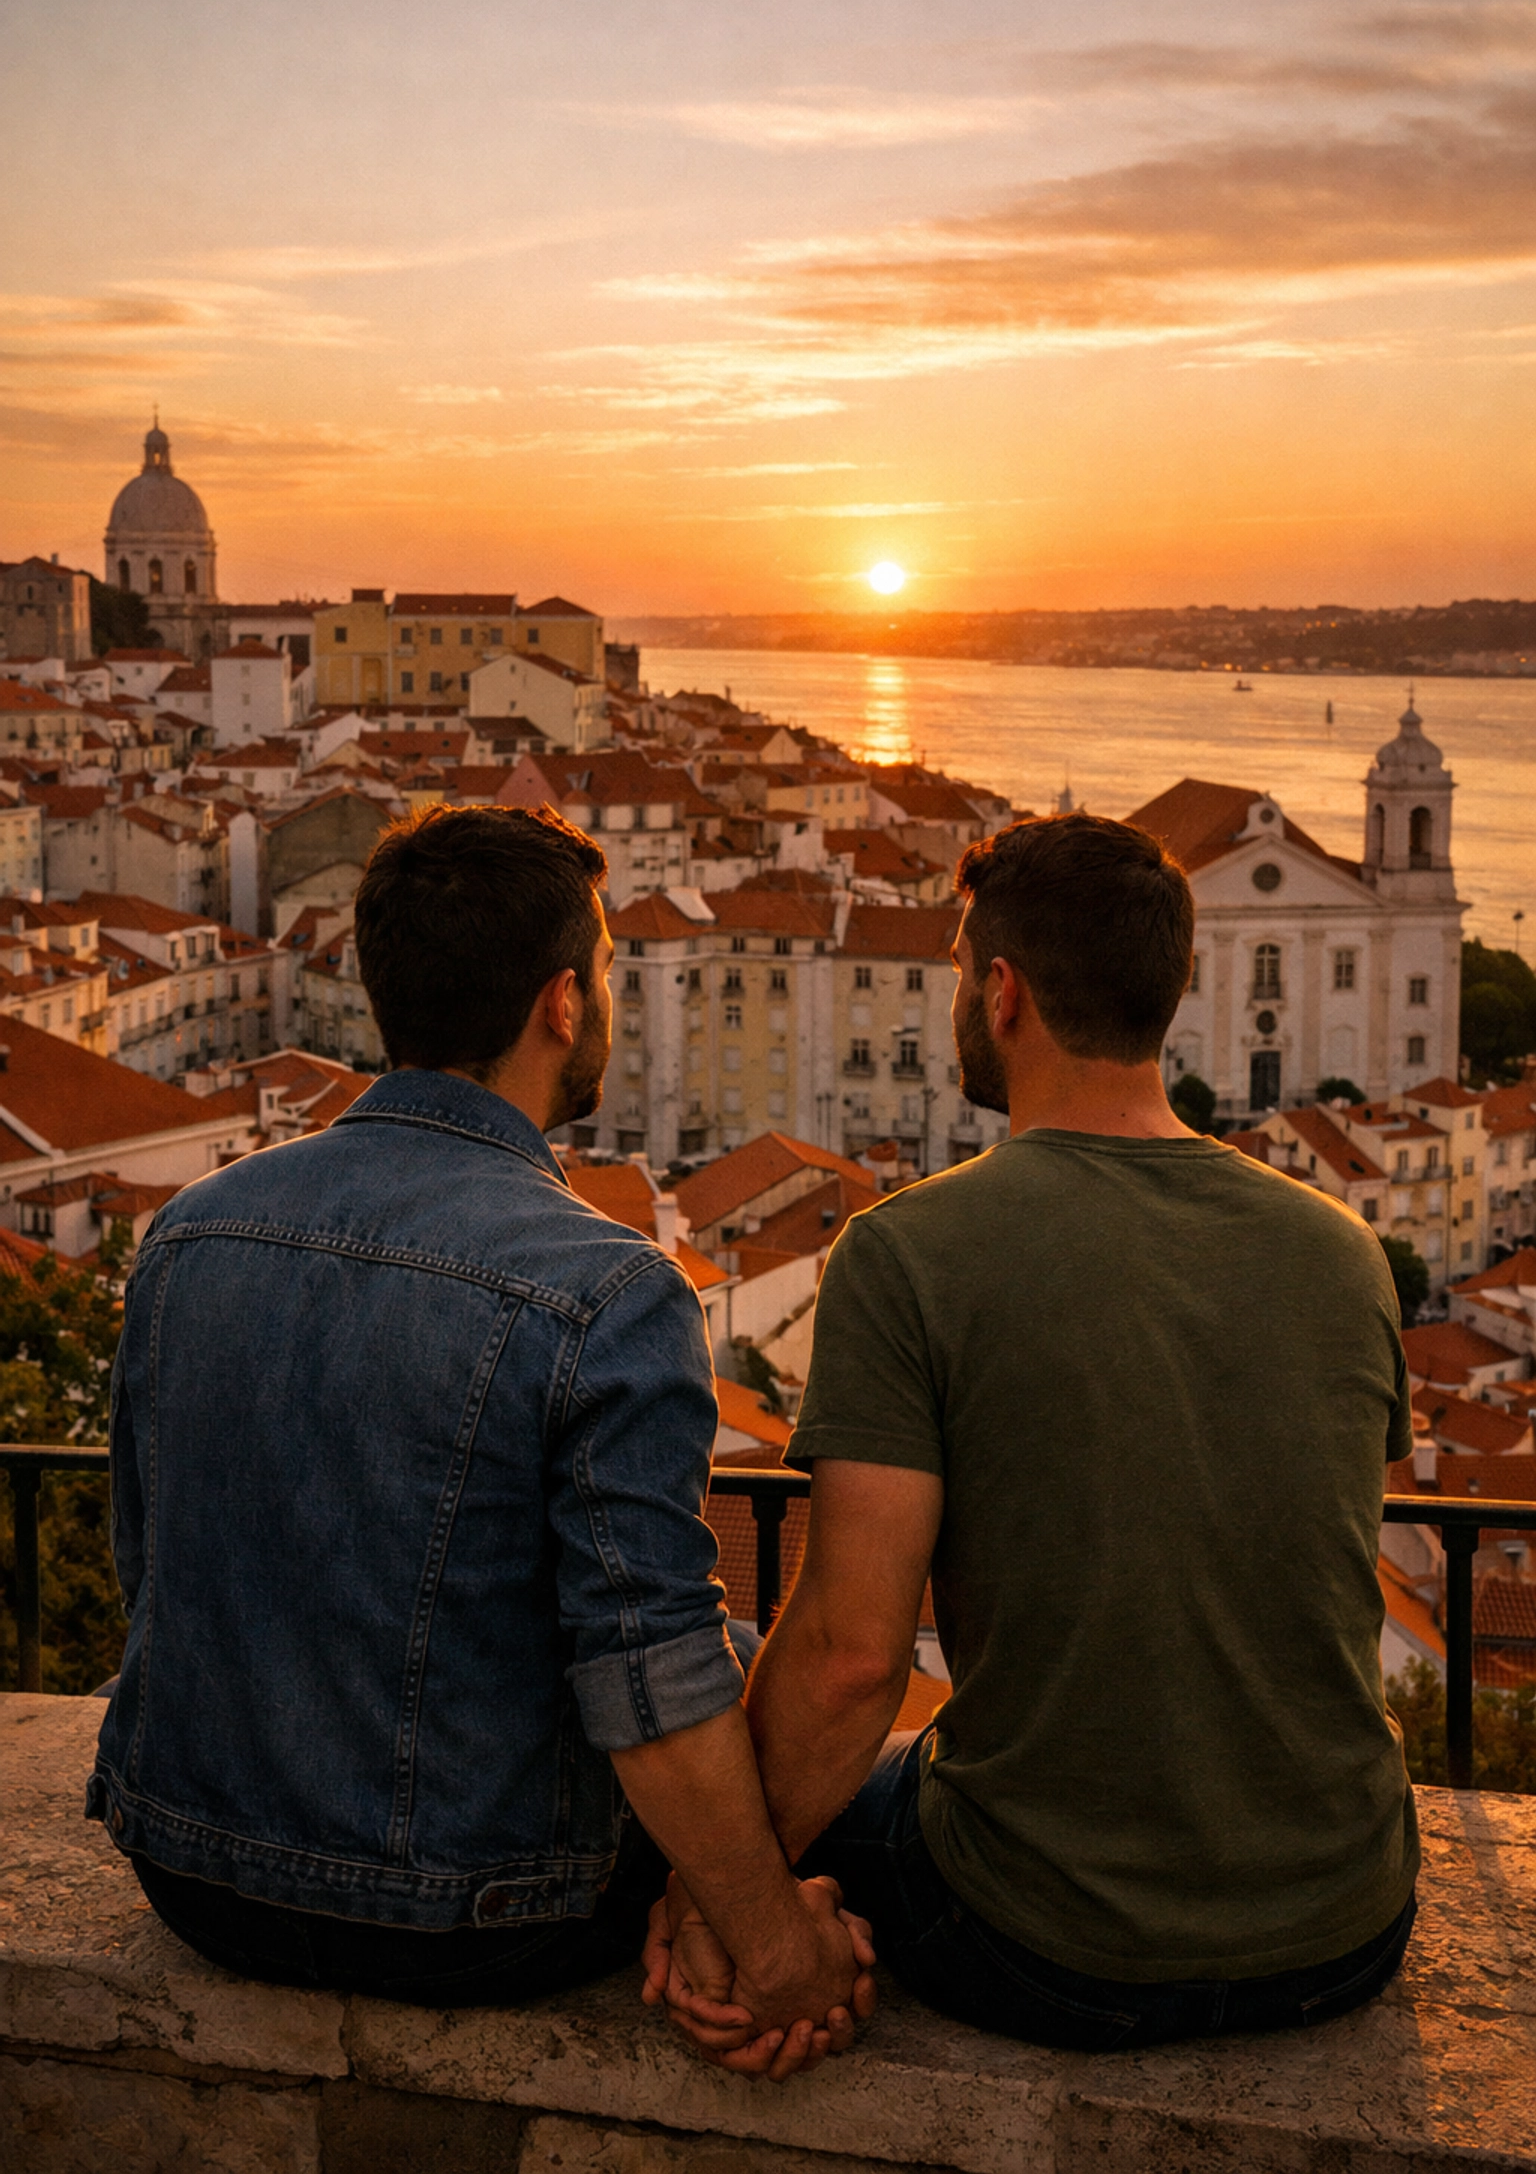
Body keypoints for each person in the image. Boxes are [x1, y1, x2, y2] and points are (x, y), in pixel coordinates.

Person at [89, 804, 870, 2075]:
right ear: (563, 1004)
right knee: (867, 1792)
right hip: (474, 1916)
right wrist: (771, 1941)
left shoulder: (190, 1233)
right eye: (610, 971)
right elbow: (649, 1676)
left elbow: (153, 1562)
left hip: (193, 1875)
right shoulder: (605, 1291)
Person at [649, 813, 1417, 2057]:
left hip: (1052, 1949)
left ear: (1001, 992)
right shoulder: (1343, 1252)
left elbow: (854, 1660)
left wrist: (727, 1909)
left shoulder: (910, 1253)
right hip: (1344, 1926)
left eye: (959, 972)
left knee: (711, 1705)